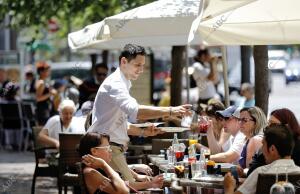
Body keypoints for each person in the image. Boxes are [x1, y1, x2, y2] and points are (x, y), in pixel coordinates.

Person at [88, 44, 191, 185]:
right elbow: (136, 112)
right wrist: (171, 110)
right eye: (138, 65)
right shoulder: (116, 83)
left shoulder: (123, 82)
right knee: (136, 187)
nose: (141, 70)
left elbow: (122, 125)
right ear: (124, 62)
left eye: (143, 65)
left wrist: (143, 131)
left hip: (111, 148)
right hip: (107, 148)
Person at [224, 124, 300, 194]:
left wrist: (229, 187)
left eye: (263, 144)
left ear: (272, 149)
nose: (261, 148)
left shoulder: (260, 173)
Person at [78, 132, 164, 193]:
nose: (110, 150)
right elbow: (123, 190)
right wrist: (104, 165)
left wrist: (150, 184)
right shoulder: (91, 173)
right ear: (94, 151)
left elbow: (122, 184)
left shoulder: (96, 169)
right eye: (107, 148)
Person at [247, 108, 300, 176]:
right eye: (268, 123)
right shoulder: (268, 144)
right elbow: (252, 170)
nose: (268, 127)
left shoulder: (297, 148)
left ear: (286, 127)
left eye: (273, 124)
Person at [35, 61, 56, 126]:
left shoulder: (43, 81)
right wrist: (50, 94)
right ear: (41, 72)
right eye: (47, 71)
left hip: (45, 110)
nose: (49, 72)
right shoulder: (41, 82)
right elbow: (38, 98)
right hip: (42, 111)